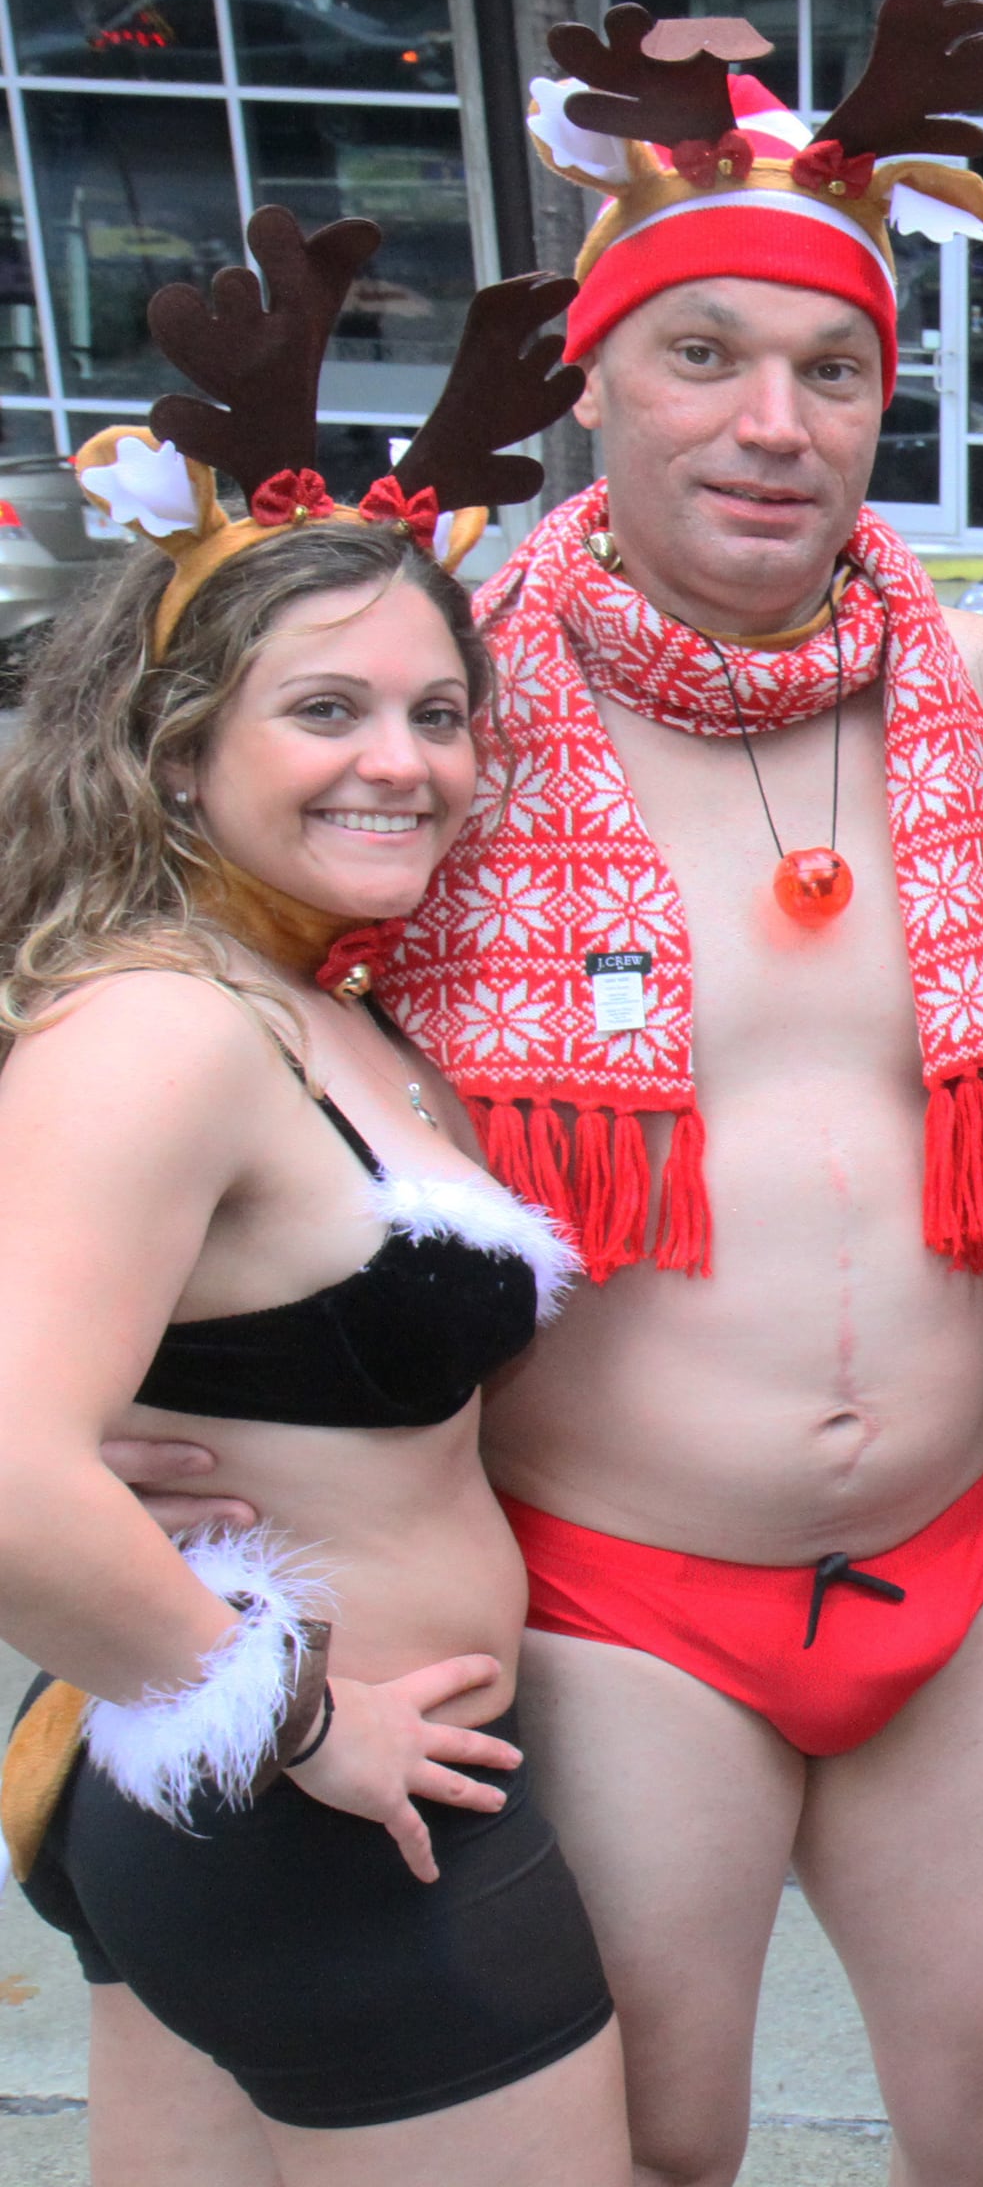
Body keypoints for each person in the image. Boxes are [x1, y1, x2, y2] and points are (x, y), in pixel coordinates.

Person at [114, 0, 983, 2187]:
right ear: (598, 380)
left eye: (830, 369)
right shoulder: (434, 715)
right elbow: (154, 992)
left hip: (961, 1550)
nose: (773, 421)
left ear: (886, 400)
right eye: (702, 357)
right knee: (663, 2127)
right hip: (625, 1576)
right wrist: (112, 1365)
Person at [0, 218, 621, 2179]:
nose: (405, 762)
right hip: (327, 1816)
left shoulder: (312, 1001)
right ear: (179, 750)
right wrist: (288, 1723)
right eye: (327, 710)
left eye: (439, 713)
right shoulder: (163, 1031)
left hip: (262, 1814)